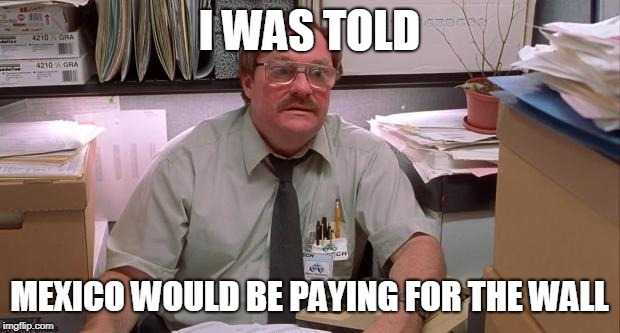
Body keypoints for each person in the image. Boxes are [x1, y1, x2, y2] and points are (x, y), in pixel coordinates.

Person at [82, 23, 445, 333]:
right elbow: (128, 283)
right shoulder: (185, 163)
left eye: (318, 73)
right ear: (247, 82)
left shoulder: (365, 157)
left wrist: (404, 313)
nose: (303, 89)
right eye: (282, 71)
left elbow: (416, 246)